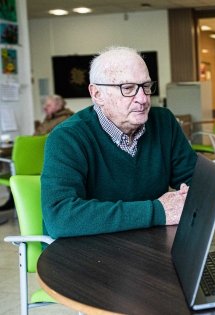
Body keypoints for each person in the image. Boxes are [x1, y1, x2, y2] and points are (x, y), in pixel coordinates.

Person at [41, 46, 197, 239]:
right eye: (128, 88)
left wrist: (189, 195)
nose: (143, 99)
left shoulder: (164, 122)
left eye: (146, 86)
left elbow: (195, 180)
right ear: (97, 94)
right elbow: (61, 217)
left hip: (147, 243)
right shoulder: (67, 138)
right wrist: (157, 211)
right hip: (83, 252)